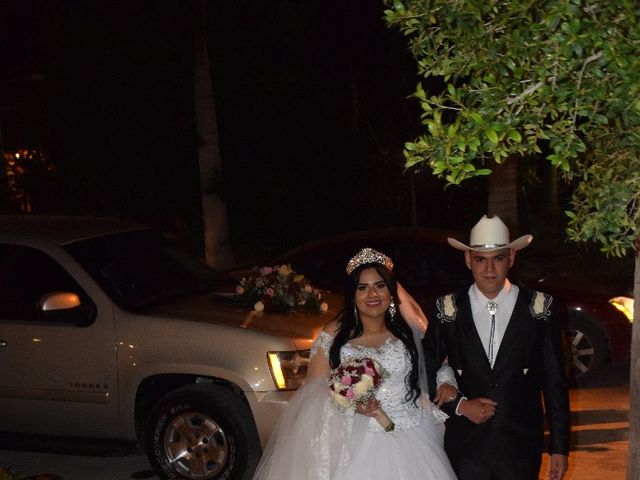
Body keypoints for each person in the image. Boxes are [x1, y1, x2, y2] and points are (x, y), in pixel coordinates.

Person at [253, 248, 458, 479]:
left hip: (413, 431)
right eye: (363, 288)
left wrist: (446, 382)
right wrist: (349, 402)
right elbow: (315, 391)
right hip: (356, 438)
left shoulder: (407, 332)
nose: (372, 294)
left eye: (380, 286)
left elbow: (439, 361)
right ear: (353, 294)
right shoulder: (335, 335)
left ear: (391, 292)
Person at [423, 215, 570, 480]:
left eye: (498, 258)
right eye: (480, 259)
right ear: (468, 259)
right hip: (466, 445)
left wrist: (559, 448)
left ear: (511, 258)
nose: (489, 268)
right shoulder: (448, 309)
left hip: (521, 445)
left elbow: (554, 381)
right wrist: (459, 406)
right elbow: (423, 368)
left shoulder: (539, 307)